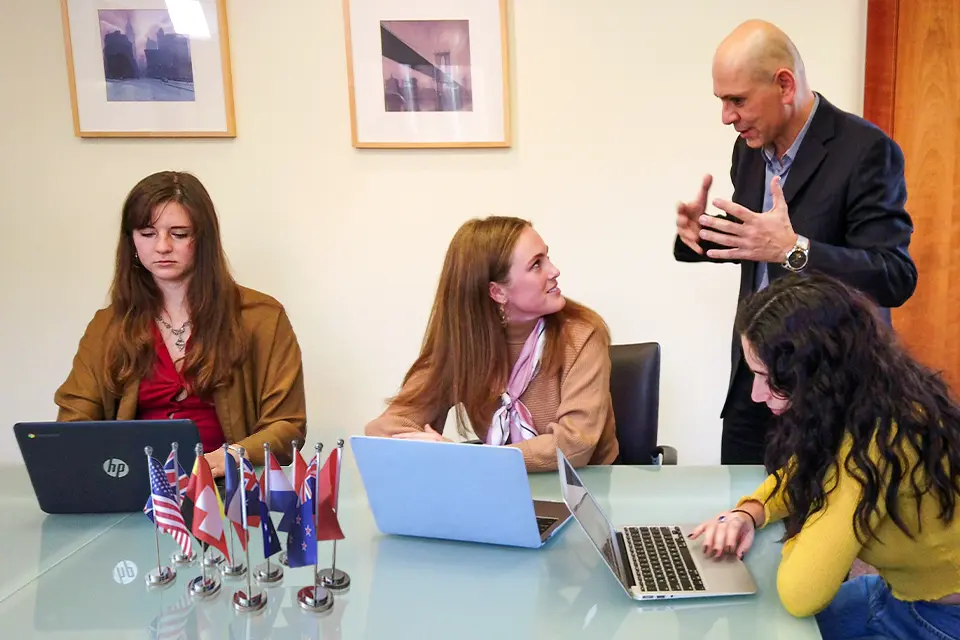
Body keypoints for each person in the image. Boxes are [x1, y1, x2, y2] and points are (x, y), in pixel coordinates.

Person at [673, 19, 917, 464]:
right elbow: (758, 243)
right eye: (722, 101)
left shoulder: (866, 151)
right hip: (754, 387)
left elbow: (894, 277)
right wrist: (697, 236)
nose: (726, 116)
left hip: (832, 397)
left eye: (737, 100)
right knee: (740, 519)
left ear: (784, 85)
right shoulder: (747, 149)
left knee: (813, 531)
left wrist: (795, 251)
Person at [690, 273, 960, 639]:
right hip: (897, 593)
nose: (756, 394)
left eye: (767, 377)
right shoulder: (878, 396)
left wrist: (807, 523)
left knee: (765, 621)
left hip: (937, 621)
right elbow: (804, 469)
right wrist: (748, 512)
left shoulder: (875, 443)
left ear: (819, 375)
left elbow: (802, 593)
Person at [54, 171, 307, 476]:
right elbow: (73, 422)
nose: (162, 246)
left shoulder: (263, 317)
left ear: (204, 239)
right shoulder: (108, 325)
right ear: (132, 241)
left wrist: (233, 455)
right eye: (147, 233)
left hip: (231, 488)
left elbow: (287, 426)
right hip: (138, 485)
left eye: (179, 233)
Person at [364, 216, 619, 471]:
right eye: (536, 265)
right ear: (498, 292)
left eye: (547, 258)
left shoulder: (582, 336)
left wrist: (472, 460)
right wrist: (428, 449)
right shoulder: (465, 347)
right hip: (498, 489)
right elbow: (384, 431)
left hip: (586, 493)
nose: (554, 271)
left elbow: (574, 445)